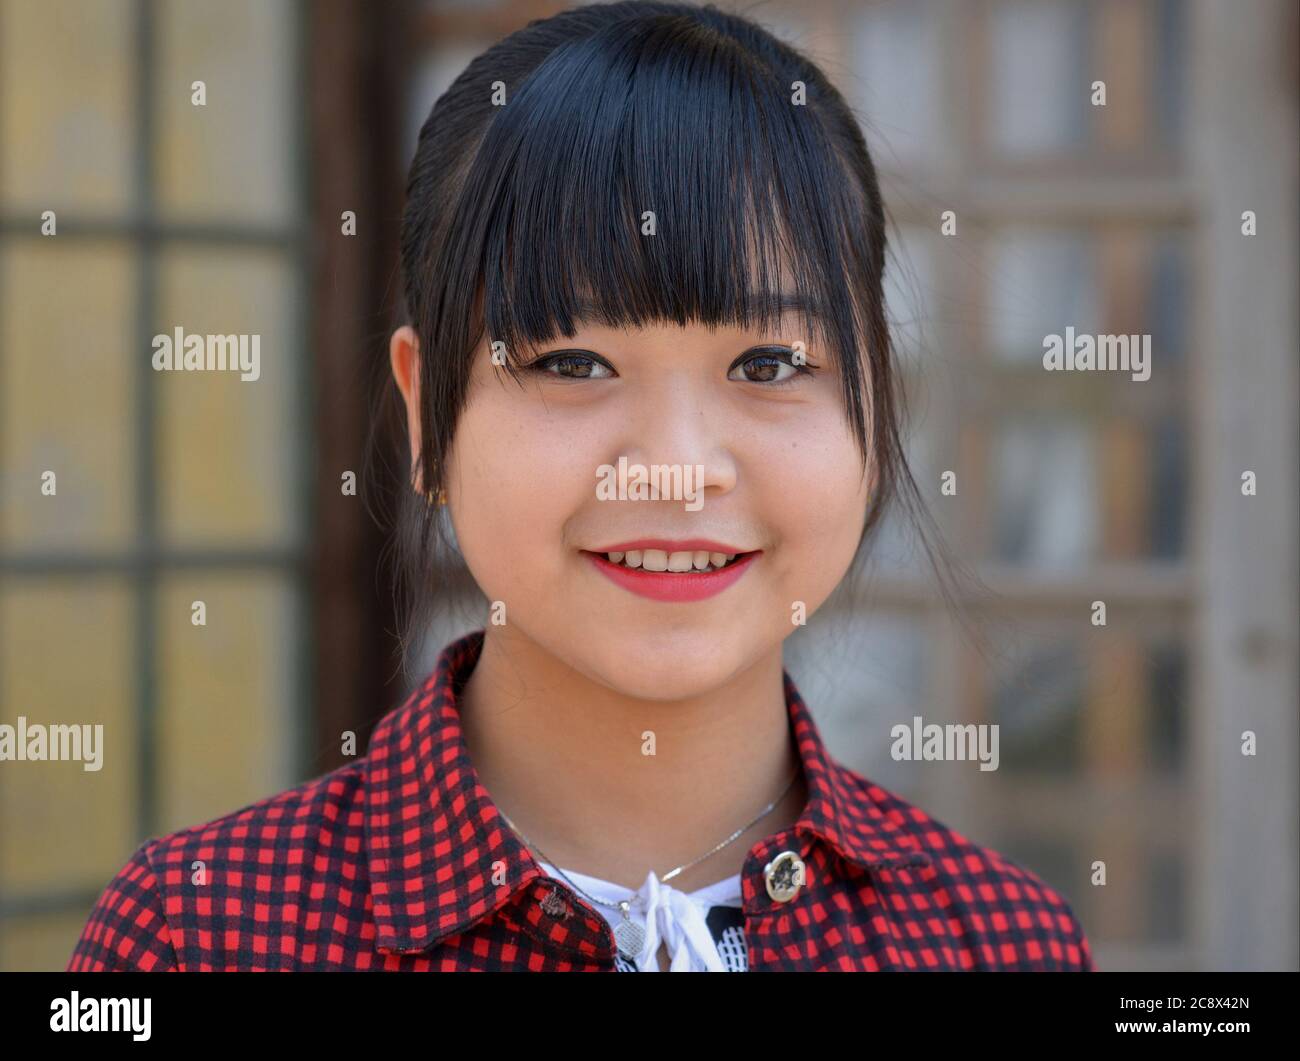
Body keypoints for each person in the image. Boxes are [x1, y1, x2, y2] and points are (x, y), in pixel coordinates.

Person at [69, 0, 1092, 972]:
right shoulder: (203, 932)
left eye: (768, 365)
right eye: (570, 362)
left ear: (876, 403)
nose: (675, 466)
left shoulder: (996, 939)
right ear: (428, 415)